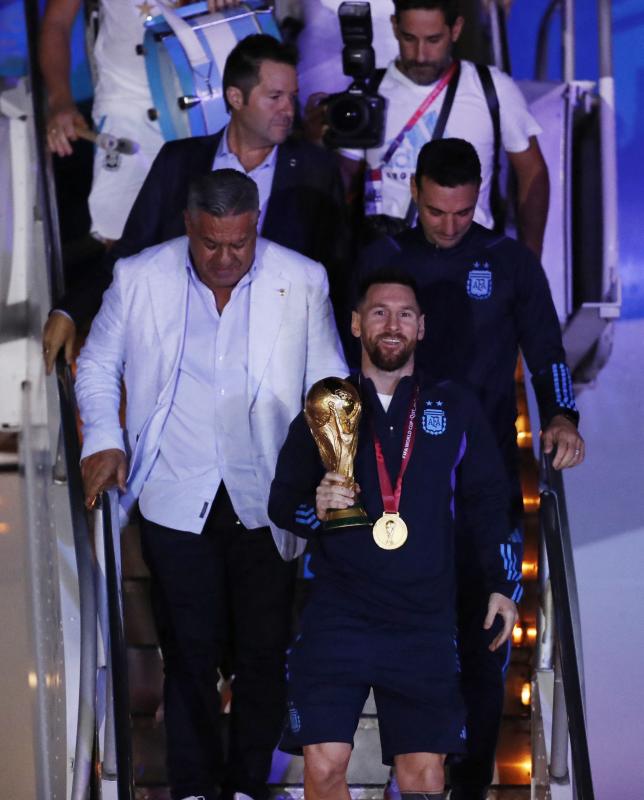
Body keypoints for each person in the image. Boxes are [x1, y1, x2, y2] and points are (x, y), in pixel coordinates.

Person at [74, 169, 348, 800]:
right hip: (174, 493)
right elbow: (97, 361)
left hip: (270, 499)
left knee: (262, 653)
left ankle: (249, 785)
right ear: (188, 229)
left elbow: (330, 378)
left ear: (257, 228)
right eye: (210, 245)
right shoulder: (140, 276)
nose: (226, 259)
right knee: (189, 654)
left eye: (240, 244)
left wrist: (335, 467)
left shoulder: (301, 279)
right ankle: (194, 788)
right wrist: (103, 439)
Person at [356, 138, 585, 800]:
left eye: (461, 212)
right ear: (416, 195)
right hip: (395, 486)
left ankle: (472, 787)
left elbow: (545, 348)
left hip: (485, 487)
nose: (449, 225)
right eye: (435, 212)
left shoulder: (509, 261)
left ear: (479, 195)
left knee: (486, 649)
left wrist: (563, 417)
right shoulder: (382, 259)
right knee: (404, 643)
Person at [268, 271, 519, 800]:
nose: (392, 324)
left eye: (405, 314)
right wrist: (315, 509)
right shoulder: (327, 407)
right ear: (357, 323)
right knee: (324, 762)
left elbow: (488, 499)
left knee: (423, 776)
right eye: (379, 312)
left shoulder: (453, 406)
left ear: (422, 328)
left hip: (423, 619)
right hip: (339, 614)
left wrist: (501, 582)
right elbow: (281, 501)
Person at [42, 33, 349, 373]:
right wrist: (70, 310)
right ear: (235, 96)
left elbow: (335, 272)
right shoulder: (179, 161)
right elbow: (131, 252)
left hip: (276, 361)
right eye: (275, 97)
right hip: (184, 357)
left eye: (292, 97)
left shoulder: (315, 169)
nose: (288, 110)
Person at [312, 0, 548, 255]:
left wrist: (529, 261)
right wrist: (316, 143)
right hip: (388, 262)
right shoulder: (368, 93)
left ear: (455, 30)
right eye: (409, 38)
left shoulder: (493, 88)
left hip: (470, 259)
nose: (420, 55)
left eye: (433, 40)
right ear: (394, 26)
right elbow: (342, 184)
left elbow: (532, 172)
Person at [39, 0, 238, 243]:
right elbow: (56, 23)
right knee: (125, 246)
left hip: (212, 97)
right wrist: (60, 100)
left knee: (225, 236)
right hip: (127, 106)